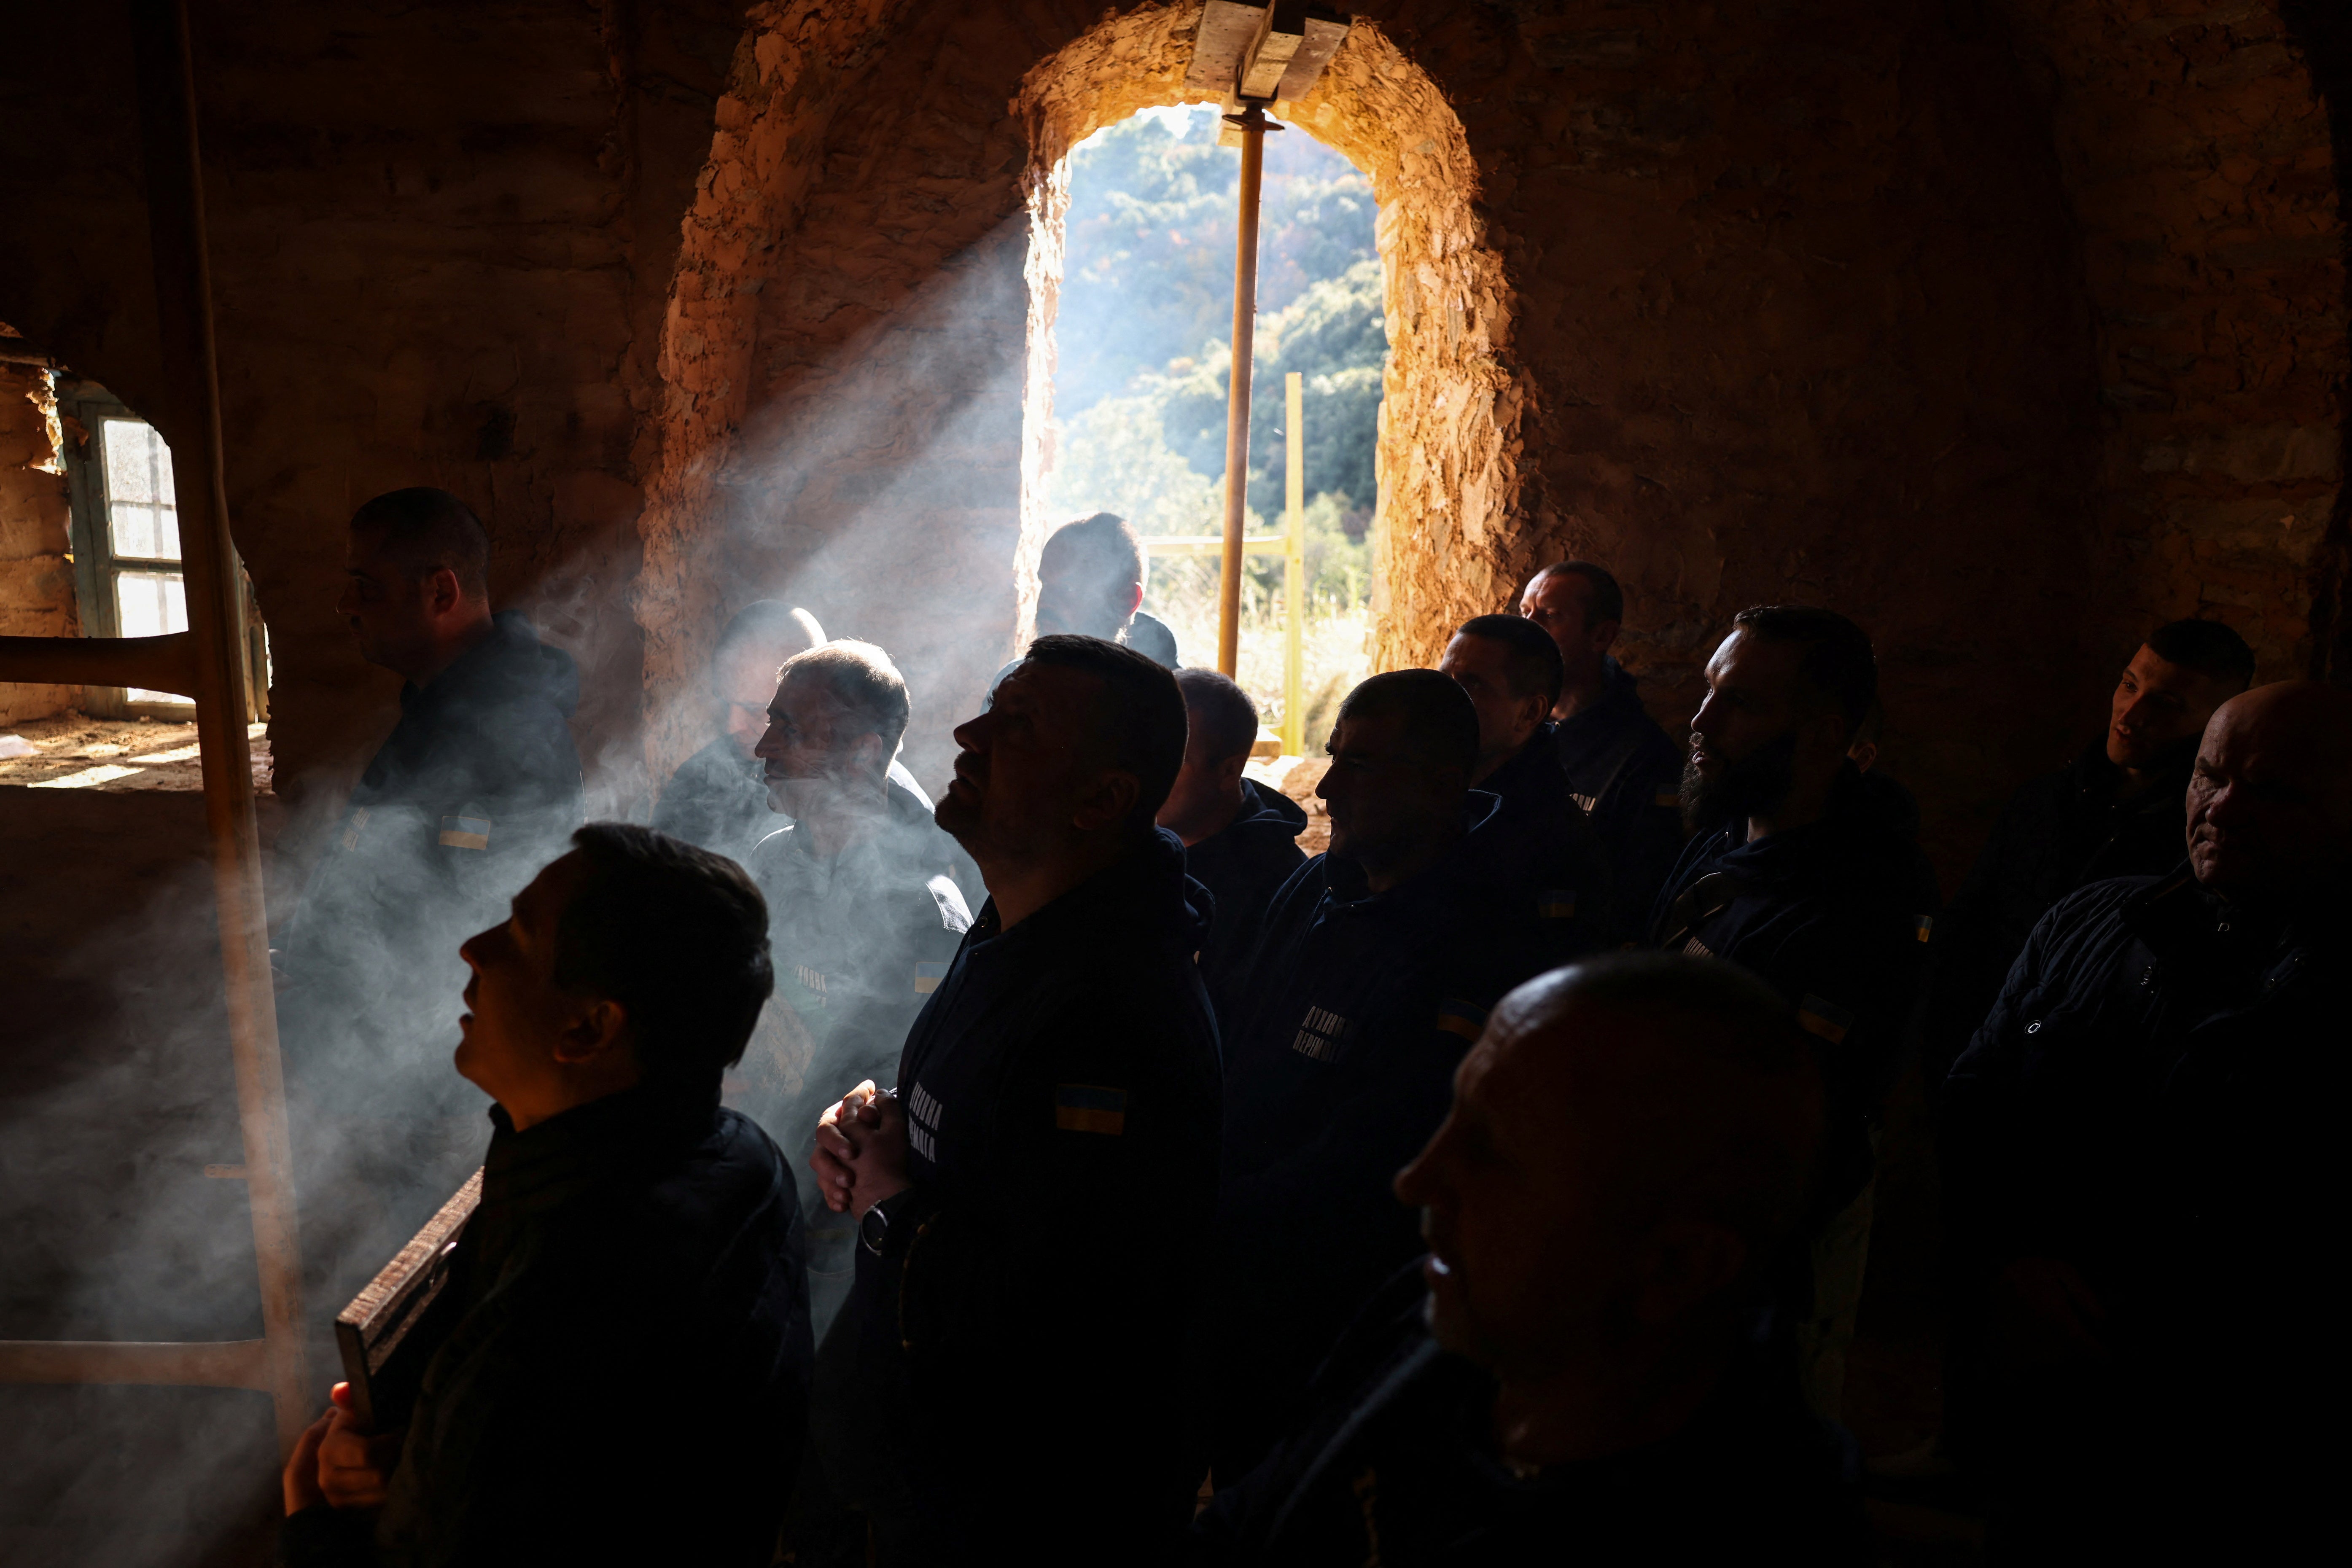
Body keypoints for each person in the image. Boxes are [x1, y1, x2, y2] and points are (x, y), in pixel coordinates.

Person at [1192, 955, 1865, 1564]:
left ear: (1675, 1266)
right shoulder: (1444, 1321)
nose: (1417, 1180)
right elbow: (1248, 1520)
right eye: (1453, 1116)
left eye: (1493, 1154)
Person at [279, 825, 814, 1567]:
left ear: (590, 1025)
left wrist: (313, 1524)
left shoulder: (562, 1306)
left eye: (518, 936)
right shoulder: (740, 1156)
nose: (474, 947)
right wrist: (430, 1456)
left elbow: (538, 1416)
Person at [802, 635, 1222, 1565]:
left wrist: (888, 1201)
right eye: (994, 705)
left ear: (1101, 798)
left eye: (1017, 725)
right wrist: (887, 1111)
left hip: (1021, 1512)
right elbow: (991, 1115)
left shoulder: (1114, 1008)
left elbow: (1066, 1309)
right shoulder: (1021, 921)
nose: (967, 732)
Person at [1939, 681, 2351, 1559]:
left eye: (2272, 790)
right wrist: (2010, 1259)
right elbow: (1974, 1106)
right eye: (2208, 775)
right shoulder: (2092, 923)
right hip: (2045, 1408)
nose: (2222, 807)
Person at [1209, 671, 1603, 1482]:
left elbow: (1379, 1148)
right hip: (1239, 1279)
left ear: (1437, 782)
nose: (1326, 788)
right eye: (1333, 755)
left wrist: (1209, 1215)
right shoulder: (1318, 884)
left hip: (1344, 1309)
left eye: (1361, 765)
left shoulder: (1480, 934)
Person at [276, 487, 584, 1329]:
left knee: (429, 1309)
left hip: (431, 1089)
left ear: (441, 591)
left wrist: (383, 1062)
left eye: (364, 585)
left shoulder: (505, 733)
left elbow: (480, 930)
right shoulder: (444, 711)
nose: (345, 605)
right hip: (386, 1080)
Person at [1647, 606, 1938, 1417]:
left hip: (1756, 1256)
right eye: (1708, 691)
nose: (1700, 720)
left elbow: (1803, 1125)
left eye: (1737, 702)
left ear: (1821, 730)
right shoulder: (1728, 832)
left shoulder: (1865, 900)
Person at [737, 639, 972, 1340]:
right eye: (770, 720)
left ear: (868, 752)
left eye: (791, 729)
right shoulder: (773, 862)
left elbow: (923, 1084)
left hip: (841, 1219)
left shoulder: (923, 906)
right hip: (767, 1178)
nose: (761, 747)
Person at [1923, 618, 2254, 1092]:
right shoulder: (2040, 803)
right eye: (2128, 685)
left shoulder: (2200, 843)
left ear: (2214, 719)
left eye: (2165, 703)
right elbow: (1966, 933)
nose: (2130, 713)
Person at [1518, 561, 1685, 933]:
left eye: (1550, 616)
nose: (1528, 632)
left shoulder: (1643, 758)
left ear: (1601, 636)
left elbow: (1635, 898)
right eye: (1524, 613)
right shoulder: (1515, 726)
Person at [1438, 613, 1615, 941]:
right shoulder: (1429, 795)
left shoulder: (1553, 842)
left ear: (1530, 713)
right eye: (1445, 678)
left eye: (1472, 684)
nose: (1445, 697)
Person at [1158, 668, 1306, 1019]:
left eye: (1175, 760)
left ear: (1229, 771)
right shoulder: (1126, 842)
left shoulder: (1274, 889)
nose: (1149, 772)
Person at [650, 600, 825, 861]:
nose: (733, 726)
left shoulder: (862, 792)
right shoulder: (699, 779)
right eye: (725, 703)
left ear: (814, 705)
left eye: (756, 711)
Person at [999, 513, 1179, 687]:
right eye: (1045, 583)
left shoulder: (1164, 703)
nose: (1045, 602)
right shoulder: (1015, 681)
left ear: (1127, 599)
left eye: (1069, 587)